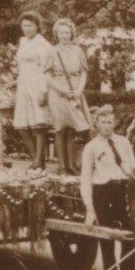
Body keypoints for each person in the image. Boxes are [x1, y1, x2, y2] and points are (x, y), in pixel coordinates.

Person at [80, 105, 135, 270]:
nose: (107, 126)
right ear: (96, 124)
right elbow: (86, 178)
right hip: (103, 193)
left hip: (124, 191)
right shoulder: (91, 147)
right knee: (107, 242)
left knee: (129, 239)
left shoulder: (123, 142)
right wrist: (89, 209)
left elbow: (134, 167)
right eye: (103, 122)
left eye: (110, 122)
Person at [42, 18, 91, 175]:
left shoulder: (78, 50)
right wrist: (61, 90)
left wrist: (79, 89)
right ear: (57, 34)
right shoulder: (52, 51)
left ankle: (71, 165)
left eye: (67, 32)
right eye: (61, 32)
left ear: (72, 33)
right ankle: (62, 166)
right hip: (58, 91)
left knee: (71, 130)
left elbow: (84, 71)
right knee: (60, 129)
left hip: (75, 90)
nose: (64, 35)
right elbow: (47, 75)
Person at [11, 11, 53, 170]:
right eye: (24, 26)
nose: (27, 29)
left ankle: (38, 161)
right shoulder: (23, 42)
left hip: (38, 83)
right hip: (23, 84)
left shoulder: (43, 45)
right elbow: (21, 66)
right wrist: (15, 81)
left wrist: (44, 91)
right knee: (21, 125)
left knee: (38, 125)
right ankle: (36, 158)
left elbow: (46, 70)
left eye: (30, 25)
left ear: (37, 26)